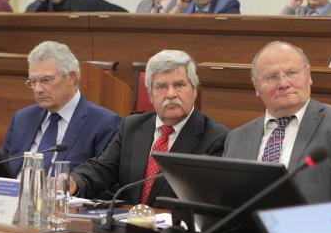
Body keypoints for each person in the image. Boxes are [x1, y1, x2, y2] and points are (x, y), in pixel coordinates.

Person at [223, 41, 331, 202]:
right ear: (256, 86)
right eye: (271, 77)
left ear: (308, 76)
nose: (283, 84)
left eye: (291, 73)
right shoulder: (236, 138)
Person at [69, 50, 229, 205]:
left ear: (194, 90)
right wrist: (75, 182)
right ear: (150, 95)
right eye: (161, 87)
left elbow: (210, 201)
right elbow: (103, 169)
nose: (171, 94)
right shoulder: (132, 126)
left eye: (179, 85)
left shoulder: (216, 139)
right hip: (129, 220)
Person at [2, 41, 121, 175]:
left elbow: (104, 180)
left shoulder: (104, 123)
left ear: (71, 77)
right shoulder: (21, 119)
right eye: (33, 82)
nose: (38, 89)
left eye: (46, 80)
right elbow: (1, 171)